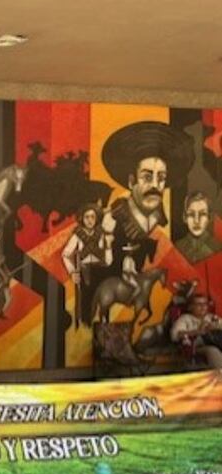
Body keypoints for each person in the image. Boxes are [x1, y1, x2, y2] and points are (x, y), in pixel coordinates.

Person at [101, 121, 194, 275]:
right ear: (131, 182)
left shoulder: (164, 223)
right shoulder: (111, 221)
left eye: (161, 178)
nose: (155, 185)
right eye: (147, 177)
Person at [61, 204, 113, 326]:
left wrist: (108, 247)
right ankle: (86, 324)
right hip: (85, 273)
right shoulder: (77, 235)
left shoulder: (102, 234)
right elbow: (65, 254)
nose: (90, 220)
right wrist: (72, 272)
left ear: (97, 218)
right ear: (82, 219)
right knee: (86, 301)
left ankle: (102, 324)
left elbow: (108, 261)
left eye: (92, 217)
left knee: (103, 299)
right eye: (87, 217)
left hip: (100, 270)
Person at [171, 294, 222, 368]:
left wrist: (216, 327)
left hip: (217, 342)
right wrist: (199, 331)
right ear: (190, 307)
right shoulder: (185, 319)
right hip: (197, 347)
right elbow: (176, 335)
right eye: (199, 304)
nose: (203, 307)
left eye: (205, 304)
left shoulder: (211, 317)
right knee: (212, 351)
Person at [174, 192, 222, 264]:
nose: (196, 221)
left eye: (202, 214)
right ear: (185, 217)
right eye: (191, 214)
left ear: (209, 217)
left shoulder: (218, 248)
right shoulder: (177, 248)